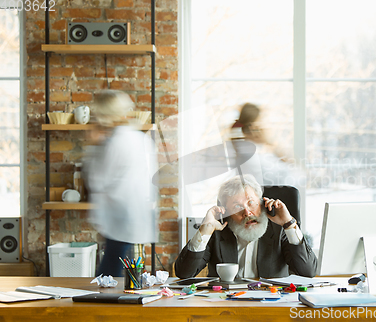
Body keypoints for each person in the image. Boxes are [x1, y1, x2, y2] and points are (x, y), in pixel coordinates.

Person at [175, 174, 317, 278]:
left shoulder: (280, 229)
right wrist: (204, 230)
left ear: (262, 202)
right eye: (237, 206)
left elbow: (308, 271)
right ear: (227, 212)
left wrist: (288, 223)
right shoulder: (217, 232)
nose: (247, 212)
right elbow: (184, 273)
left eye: (251, 202)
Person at [83, 90, 158, 276]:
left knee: (110, 270)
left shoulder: (116, 141)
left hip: (120, 214)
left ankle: (104, 302)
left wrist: (92, 146)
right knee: (124, 267)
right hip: (138, 212)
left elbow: (98, 180)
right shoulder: (141, 138)